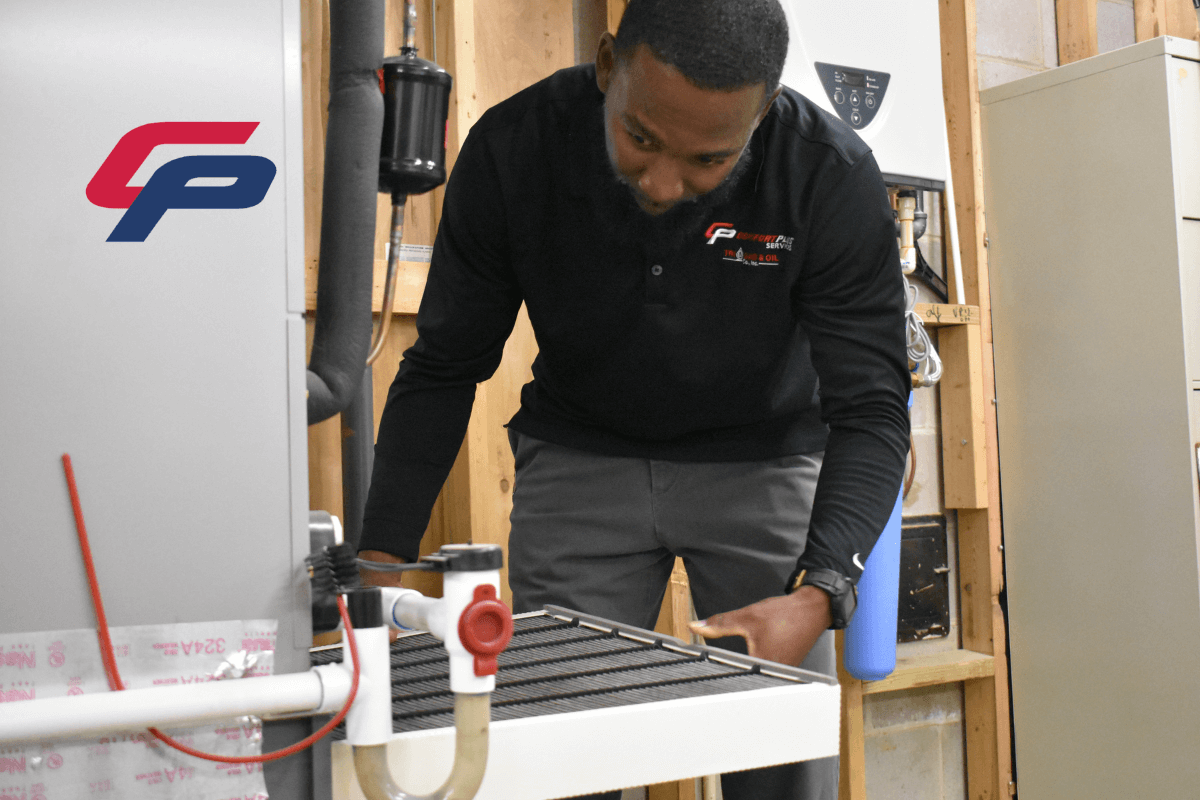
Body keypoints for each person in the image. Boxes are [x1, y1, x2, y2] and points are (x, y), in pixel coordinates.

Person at [358, 1, 910, 797]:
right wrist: (380, 557)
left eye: (709, 161)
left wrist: (822, 594)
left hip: (765, 462)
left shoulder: (829, 173)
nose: (662, 182)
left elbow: (872, 411)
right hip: (581, 461)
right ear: (609, 66)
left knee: (779, 757)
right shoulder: (517, 148)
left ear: (764, 113)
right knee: (558, 749)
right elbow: (444, 365)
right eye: (641, 138)